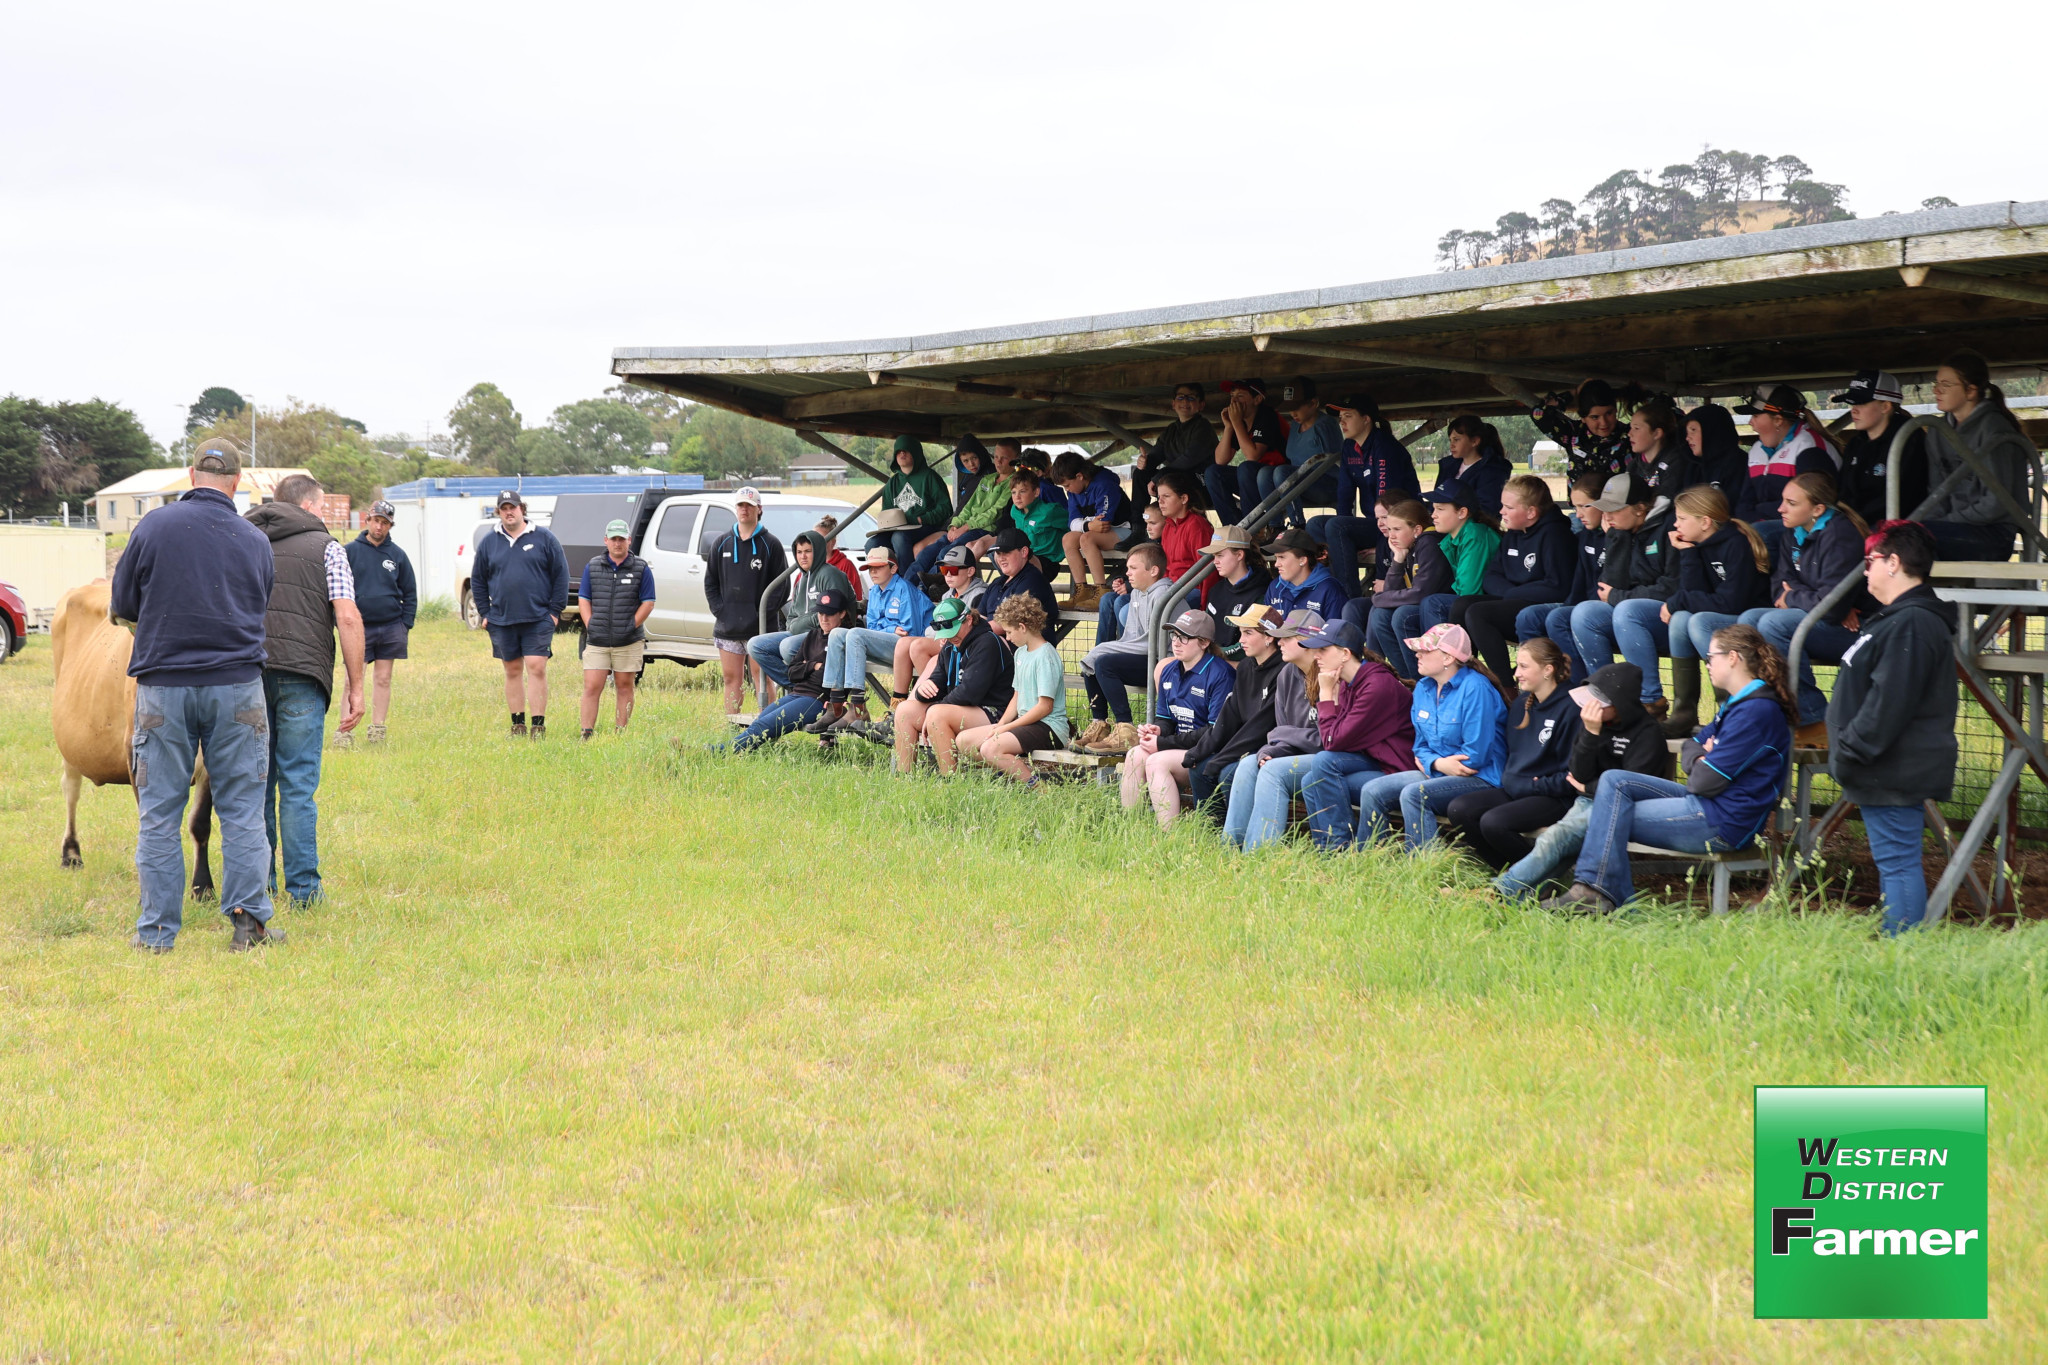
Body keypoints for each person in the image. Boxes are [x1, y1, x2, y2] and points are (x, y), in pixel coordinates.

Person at [110, 438, 281, 952]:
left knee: (159, 814)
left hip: (164, 687)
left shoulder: (153, 528)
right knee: (244, 810)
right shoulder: (254, 541)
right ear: (236, 482)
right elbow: (260, 606)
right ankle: (248, 928)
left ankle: (157, 934)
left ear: (191, 475)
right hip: (238, 689)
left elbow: (122, 607)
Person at [1543, 623, 1793, 914]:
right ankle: (1602, 894)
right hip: (1704, 803)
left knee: (1606, 815)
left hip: (1722, 821)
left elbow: (1702, 782)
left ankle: (1593, 893)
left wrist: (1701, 759)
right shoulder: (1736, 704)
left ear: (1733, 658)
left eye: (1710, 657)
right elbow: (1691, 745)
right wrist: (1702, 755)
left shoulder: (1756, 711)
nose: (1707, 664)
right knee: (1614, 781)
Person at [1825, 521, 1958, 934]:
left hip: (1892, 765)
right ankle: (1899, 948)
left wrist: (1850, 750)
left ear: (1894, 563)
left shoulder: (1913, 622)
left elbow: (1889, 703)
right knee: (1893, 861)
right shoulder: (1900, 619)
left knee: (1898, 862)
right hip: (1883, 764)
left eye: (1871, 561)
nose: (1865, 571)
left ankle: (1904, 954)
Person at [246, 473, 367, 906]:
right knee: (297, 785)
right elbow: (348, 617)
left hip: (248, 676)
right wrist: (357, 686)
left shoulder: (245, 538)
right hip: (303, 676)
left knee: (256, 783)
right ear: (312, 507)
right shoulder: (328, 548)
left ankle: (258, 885)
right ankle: (304, 892)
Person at [1492, 661, 1671, 901]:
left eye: (1599, 702)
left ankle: (1499, 891)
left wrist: (1589, 787)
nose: (1589, 707)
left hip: (1620, 808)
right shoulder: (1594, 725)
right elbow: (1579, 772)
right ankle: (1524, 897)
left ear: (1620, 704)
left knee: (1555, 837)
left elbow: (1632, 787)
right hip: (1587, 801)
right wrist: (1590, 733)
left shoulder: (1647, 734)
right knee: (1558, 841)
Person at [1626, 485, 1772, 735]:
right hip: (1723, 613)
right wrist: (1687, 554)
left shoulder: (1736, 544)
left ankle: (1731, 707)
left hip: (1748, 618)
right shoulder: (1697, 545)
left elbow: (1730, 603)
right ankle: (1685, 711)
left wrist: (1678, 600)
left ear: (1705, 522)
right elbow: (1696, 592)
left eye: (1682, 518)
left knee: (1698, 621)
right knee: (1682, 619)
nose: (1675, 525)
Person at [1741, 473, 1871, 744]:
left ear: (1818, 510)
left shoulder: (1840, 535)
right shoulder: (1793, 531)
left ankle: (1813, 716)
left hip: (1858, 630)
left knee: (1773, 624)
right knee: (1749, 620)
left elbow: (1832, 609)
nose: (1780, 509)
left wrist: (1796, 597)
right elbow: (1780, 587)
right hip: (1823, 618)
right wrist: (1812, 598)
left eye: (1790, 503)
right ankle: (1761, 711)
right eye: (1782, 501)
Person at [1357, 623, 1509, 851]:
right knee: (1371, 790)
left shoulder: (1476, 688)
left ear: (1448, 658)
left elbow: (1476, 757)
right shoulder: (1423, 688)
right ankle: (1366, 859)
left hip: (1481, 777)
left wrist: (1432, 765)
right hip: (1438, 771)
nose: (1417, 654)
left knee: (1414, 794)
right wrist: (1438, 763)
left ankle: (1422, 866)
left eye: (1426, 650)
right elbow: (1419, 746)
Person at [1440, 639, 1579, 869]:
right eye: (1517, 666)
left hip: (1553, 796)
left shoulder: (1571, 707)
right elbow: (1514, 757)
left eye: (1524, 667)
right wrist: (1516, 782)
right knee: (1460, 809)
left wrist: (1532, 786)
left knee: (1494, 822)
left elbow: (1572, 774)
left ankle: (1543, 876)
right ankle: (1509, 871)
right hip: (1519, 788)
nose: (1516, 674)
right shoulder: (1523, 702)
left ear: (1548, 670)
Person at [1298, 623, 1417, 850]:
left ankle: (1340, 846)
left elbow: (1332, 742)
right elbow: (1333, 738)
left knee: (1323, 762)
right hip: (1377, 761)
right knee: (1310, 781)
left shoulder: (1377, 686)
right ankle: (1326, 850)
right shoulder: (1347, 682)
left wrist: (1325, 695)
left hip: (1399, 769)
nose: (1315, 656)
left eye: (1323, 650)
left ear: (1345, 653)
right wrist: (1332, 696)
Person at [1568, 473, 1678, 715]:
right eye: (1604, 509)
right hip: (1636, 616)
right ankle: (1606, 693)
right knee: (1585, 612)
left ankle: (1650, 700)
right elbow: (1607, 587)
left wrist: (1619, 597)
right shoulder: (1624, 530)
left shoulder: (1669, 526)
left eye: (1614, 510)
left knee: (1627, 611)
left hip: (1672, 618)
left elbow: (1671, 589)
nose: (1606, 516)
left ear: (1640, 509)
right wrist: (1616, 538)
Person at [1120, 610, 1238, 826]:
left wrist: (1163, 743)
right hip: (1181, 747)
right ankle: (1131, 827)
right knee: (1134, 755)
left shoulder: (1221, 674)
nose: (1176, 642)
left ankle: (1170, 834)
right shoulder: (1169, 670)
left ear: (1203, 643)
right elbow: (1166, 718)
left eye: (1184, 637)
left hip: (1209, 752)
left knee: (1157, 760)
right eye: (1174, 635)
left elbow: (1214, 733)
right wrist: (1158, 730)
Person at [1221, 608, 1326, 850]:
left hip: (1328, 757)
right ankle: (1229, 847)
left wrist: (1282, 738)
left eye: (1287, 637)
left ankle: (1257, 853)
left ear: (1307, 642)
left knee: (1273, 770)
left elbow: (1327, 739)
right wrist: (1273, 749)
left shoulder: (1329, 674)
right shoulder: (1288, 673)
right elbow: (1280, 732)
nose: (1280, 642)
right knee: (1248, 764)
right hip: (1298, 753)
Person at [1919, 348, 2035, 563]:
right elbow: (1935, 492)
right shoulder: (1937, 431)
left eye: (1946, 384)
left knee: (1909, 540)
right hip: (1952, 527)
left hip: (1993, 533)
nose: (1937, 391)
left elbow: (1995, 503)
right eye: (1936, 384)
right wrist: (1939, 522)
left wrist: (1947, 522)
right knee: (1898, 536)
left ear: (1970, 391)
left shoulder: (1994, 429)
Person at [472, 488, 569, 737]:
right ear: (499, 512)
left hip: (538, 617)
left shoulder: (544, 538)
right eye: (503, 509)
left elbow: (561, 575)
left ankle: (538, 725)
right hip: (502, 618)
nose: (508, 512)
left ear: (521, 509)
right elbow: (478, 580)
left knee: (536, 666)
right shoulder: (489, 542)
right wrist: (485, 612)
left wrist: (554, 612)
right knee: (512, 669)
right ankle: (518, 725)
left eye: (512, 507)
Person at [808, 544, 934, 733]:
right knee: (837, 633)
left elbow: (911, 633)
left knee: (856, 634)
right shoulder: (874, 591)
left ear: (893, 568)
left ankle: (859, 707)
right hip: (887, 643)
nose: (873, 572)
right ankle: (836, 705)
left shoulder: (904, 590)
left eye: (879, 567)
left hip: (909, 651)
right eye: (870, 568)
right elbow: (873, 627)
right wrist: (891, 627)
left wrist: (886, 627)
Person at [1461, 475, 1575, 681]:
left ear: (1531, 512)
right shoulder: (1513, 532)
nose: (1501, 512)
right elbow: (1491, 576)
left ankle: (1505, 685)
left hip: (1541, 605)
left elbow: (1558, 586)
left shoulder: (1555, 535)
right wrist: (1511, 593)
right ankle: (1463, 677)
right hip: (1514, 598)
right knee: (1462, 605)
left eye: (1509, 507)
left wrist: (1514, 592)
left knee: (1479, 613)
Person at [1308, 392, 1419, 596]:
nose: (1342, 422)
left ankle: (1347, 596)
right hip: (1374, 523)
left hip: (1396, 526)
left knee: (1336, 526)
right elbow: (1344, 494)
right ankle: (1326, 589)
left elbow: (1390, 508)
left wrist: (1386, 542)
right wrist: (1343, 525)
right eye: (1340, 417)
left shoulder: (1384, 447)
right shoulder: (1349, 446)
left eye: (1348, 416)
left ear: (1366, 419)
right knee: (1316, 524)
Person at [892, 597, 1014, 775]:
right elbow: (938, 682)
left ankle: (949, 779)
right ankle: (903, 776)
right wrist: (923, 691)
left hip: (993, 711)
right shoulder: (950, 644)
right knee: (904, 710)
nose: (950, 636)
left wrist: (934, 708)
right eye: (945, 631)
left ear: (969, 619)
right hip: (960, 709)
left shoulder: (987, 643)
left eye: (953, 629)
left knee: (937, 714)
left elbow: (970, 693)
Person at [721, 590, 849, 754]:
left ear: (842, 613)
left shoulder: (843, 639)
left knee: (764, 725)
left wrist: (806, 667)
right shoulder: (812, 635)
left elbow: (826, 679)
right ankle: (740, 752)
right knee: (759, 722)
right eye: (821, 613)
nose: (824, 619)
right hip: (798, 693)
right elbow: (792, 673)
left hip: (819, 700)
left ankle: (717, 752)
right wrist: (812, 666)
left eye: (830, 614)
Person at [958, 594, 1067, 784]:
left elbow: (1045, 707)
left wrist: (1007, 727)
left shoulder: (1045, 656)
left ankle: (1036, 788)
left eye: (1008, 632)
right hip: (1026, 723)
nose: (1007, 637)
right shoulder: (1022, 652)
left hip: (1049, 727)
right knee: (964, 741)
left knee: (990, 748)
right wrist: (1000, 725)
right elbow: (1017, 695)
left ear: (1022, 627)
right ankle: (1010, 773)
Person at [1075, 541, 1171, 748]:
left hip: (1164, 663)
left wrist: (1105, 649)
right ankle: (1099, 723)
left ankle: (1125, 728)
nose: (1128, 573)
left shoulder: (1164, 595)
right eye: (1128, 568)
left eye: (1133, 568)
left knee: (1103, 662)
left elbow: (1153, 645)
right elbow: (1130, 638)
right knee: (1093, 662)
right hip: (1145, 656)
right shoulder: (1136, 593)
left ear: (1153, 571)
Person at [703, 486, 789, 716]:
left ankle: (768, 727)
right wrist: (720, 610)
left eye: (749, 506)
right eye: (741, 505)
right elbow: (710, 582)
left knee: (762, 678)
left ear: (759, 509)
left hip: (760, 629)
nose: (744, 510)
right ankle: (732, 727)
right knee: (731, 680)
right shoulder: (721, 543)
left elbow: (782, 585)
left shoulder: (771, 544)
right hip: (728, 627)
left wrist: (763, 613)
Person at [748, 529, 856, 702]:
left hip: (827, 634)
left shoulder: (830, 575)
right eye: (799, 552)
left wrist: (799, 625)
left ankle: (810, 689)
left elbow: (833, 613)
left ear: (819, 551)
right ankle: (796, 686)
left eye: (808, 551)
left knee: (787, 646)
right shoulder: (801, 579)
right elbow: (791, 617)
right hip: (801, 633)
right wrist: (797, 625)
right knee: (756, 645)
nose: (803, 556)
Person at [1731, 384, 1840, 556]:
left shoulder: (1809, 448)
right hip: (1773, 523)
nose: (1751, 423)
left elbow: (1811, 506)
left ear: (1778, 421)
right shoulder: (1757, 450)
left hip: (1811, 528)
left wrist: (1759, 513)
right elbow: (1745, 501)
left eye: (1756, 415)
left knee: (1759, 534)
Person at [340, 498, 416, 746]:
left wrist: (405, 624)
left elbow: (410, 592)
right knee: (352, 679)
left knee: (383, 678)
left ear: (390, 526)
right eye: (376, 521)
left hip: (391, 626)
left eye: (385, 523)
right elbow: (337, 590)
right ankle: (345, 731)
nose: (379, 527)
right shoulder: (350, 551)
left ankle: (377, 729)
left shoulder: (397, 555)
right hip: (357, 627)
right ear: (367, 520)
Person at [1526, 475, 1612, 684]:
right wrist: (1568, 606)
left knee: (1558, 618)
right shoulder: (1585, 536)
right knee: (1531, 615)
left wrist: (1613, 537)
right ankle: (1541, 681)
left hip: (1606, 607)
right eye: (1575, 507)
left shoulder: (1617, 537)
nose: (1579, 514)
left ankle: (1583, 683)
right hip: (1583, 604)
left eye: (1585, 506)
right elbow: (1579, 581)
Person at [576, 518, 656, 738]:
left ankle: (621, 732)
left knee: (624, 685)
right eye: (614, 539)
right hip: (597, 639)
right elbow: (584, 599)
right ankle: (586, 733)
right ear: (606, 540)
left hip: (628, 640)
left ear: (629, 540)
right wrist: (590, 624)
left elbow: (648, 602)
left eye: (622, 539)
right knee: (592, 686)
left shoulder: (641, 568)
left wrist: (631, 625)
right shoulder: (592, 566)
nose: (618, 543)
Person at [1354, 498, 1449, 679]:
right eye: (1389, 529)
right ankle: (1405, 679)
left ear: (1417, 530)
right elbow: (1390, 591)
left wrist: (1379, 598)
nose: (1391, 535)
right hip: (1420, 605)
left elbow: (1421, 593)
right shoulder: (1405, 547)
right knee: (1380, 615)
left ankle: (1419, 678)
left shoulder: (1429, 544)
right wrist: (1398, 560)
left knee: (1401, 615)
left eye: (1397, 529)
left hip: (1439, 607)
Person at [886, 542, 986, 712]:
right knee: (903, 644)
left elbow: (975, 628)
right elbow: (931, 628)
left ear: (970, 571)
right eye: (943, 570)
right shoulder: (948, 594)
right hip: (946, 642)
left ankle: (933, 697)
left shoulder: (980, 594)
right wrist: (942, 632)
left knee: (918, 646)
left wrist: (944, 633)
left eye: (953, 570)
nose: (947, 575)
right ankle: (898, 703)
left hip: (965, 646)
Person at [1830, 371, 1928, 525]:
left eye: (1861, 403)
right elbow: (1842, 492)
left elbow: (1905, 499)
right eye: (1852, 403)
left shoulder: (1909, 441)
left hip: (1895, 531)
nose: (1853, 410)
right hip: (1853, 527)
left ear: (1885, 406)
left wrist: (1853, 522)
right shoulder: (1855, 444)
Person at [908, 437, 1012, 580]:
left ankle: (931, 584)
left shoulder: (1013, 483)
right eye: (996, 457)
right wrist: (954, 525)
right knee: (927, 552)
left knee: (946, 552)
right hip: (965, 526)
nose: (998, 462)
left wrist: (965, 527)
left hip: (984, 529)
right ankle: (905, 587)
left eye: (1004, 458)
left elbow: (994, 513)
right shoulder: (987, 479)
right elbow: (968, 507)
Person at [1052, 451, 1133, 609]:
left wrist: (1085, 525)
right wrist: (1088, 525)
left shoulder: (1104, 484)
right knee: (1068, 538)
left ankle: (1100, 589)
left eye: (1067, 484)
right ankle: (1082, 590)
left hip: (1124, 530)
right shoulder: (1074, 491)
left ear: (1080, 476)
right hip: (1097, 532)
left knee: (1087, 538)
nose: (1067, 490)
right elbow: (1072, 522)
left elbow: (1103, 522)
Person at [1415, 487, 1502, 630]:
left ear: (1462, 512)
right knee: (1404, 615)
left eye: (1440, 509)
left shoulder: (1475, 535)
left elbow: (1469, 591)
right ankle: (1427, 652)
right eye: (1434, 509)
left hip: (1490, 604)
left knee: (1433, 603)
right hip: (1471, 603)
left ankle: (1445, 652)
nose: (1433, 515)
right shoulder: (1451, 539)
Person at [1206, 378, 1286, 525]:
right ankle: (1234, 526)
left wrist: (1236, 423)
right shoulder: (1240, 423)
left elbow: (1253, 455)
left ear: (1257, 399)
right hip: (1252, 479)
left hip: (1275, 479)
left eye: (1240, 396)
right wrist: (1229, 427)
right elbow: (1220, 460)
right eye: (1232, 396)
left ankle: (1253, 526)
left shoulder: (1267, 415)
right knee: (1213, 472)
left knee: (1246, 467)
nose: (1234, 401)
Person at [1131, 382, 1217, 515]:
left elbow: (1188, 460)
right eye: (1181, 397)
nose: (1185, 401)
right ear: (1173, 404)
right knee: (1140, 473)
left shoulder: (1203, 427)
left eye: (1191, 398)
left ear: (1201, 405)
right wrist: (1144, 462)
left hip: (1202, 485)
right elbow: (1155, 456)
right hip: (1174, 480)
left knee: (1173, 477)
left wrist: (1159, 477)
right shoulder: (1171, 429)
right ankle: (1138, 525)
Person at [870, 437, 953, 567]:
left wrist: (923, 519)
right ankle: (887, 581)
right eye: (898, 451)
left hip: (925, 527)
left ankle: (907, 580)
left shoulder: (930, 477)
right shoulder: (893, 482)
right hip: (899, 528)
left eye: (906, 450)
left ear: (916, 453)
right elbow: (886, 511)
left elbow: (946, 508)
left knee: (899, 538)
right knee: (872, 544)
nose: (902, 454)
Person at [1532, 379, 1628, 484]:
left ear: (1615, 410)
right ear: (1583, 417)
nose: (1603, 422)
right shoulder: (1574, 434)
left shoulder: (1631, 435)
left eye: (1609, 413)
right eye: (1595, 417)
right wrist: (1574, 393)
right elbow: (1539, 414)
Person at [1277, 377, 1343, 526]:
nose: (1293, 412)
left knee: (1282, 472)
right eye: (1290, 407)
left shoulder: (1325, 425)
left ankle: (1298, 525)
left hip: (1327, 485)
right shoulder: (1295, 426)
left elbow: (1336, 462)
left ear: (1313, 403)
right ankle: (1274, 526)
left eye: (1297, 407)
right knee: (1265, 474)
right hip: (1301, 484)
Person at [1199, 525, 1271, 659]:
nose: (1215, 561)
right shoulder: (1215, 590)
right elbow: (1205, 629)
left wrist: (1214, 655)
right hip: (1214, 660)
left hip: (1243, 665)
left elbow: (1253, 642)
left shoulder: (1262, 592)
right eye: (1214, 556)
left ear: (1239, 555)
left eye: (1220, 555)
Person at [978, 527, 1062, 636]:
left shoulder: (1032, 580)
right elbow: (980, 617)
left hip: (1024, 649)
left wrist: (976, 632)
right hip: (992, 643)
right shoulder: (997, 582)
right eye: (998, 553)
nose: (1001, 558)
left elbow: (1008, 624)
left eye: (1006, 552)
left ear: (1024, 552)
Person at [1429, 415, 1512, 517]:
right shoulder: (1447, 467)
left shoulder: (1492, 471)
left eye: (1456, 439)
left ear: (1474, 441)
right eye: (1450, 440)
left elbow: (1488, 511)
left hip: (1474, 529)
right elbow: (1436, 500)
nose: (1451, 445)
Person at [1261, 528, 1349, 620]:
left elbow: (1337, 632)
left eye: (1282, 557)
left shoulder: (1329, 589)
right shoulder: (1275, 586)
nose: (1276, 564)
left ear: (1302, 560)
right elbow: (1264, 629)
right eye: (1276, 558)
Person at [1001, 469, 1068, 576]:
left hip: (1047, 562)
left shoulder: (1049, 512)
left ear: (1036, 492)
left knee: (1018, 565)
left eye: (1022, 491)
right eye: (1013, 492)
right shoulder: (1014, 510)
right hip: (1024, 558)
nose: (1017, 497)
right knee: (997, 552)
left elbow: (1071, 525)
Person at [1153, 470, 1211, 584]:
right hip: (1170, 587)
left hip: (1191, 590)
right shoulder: (1168, 527)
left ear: (1184, 499)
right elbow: (1166, 568)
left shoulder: (1196, 526)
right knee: (1115, 599)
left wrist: (1205, 602)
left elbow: (1207, 570)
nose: (1160, 501)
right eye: (1159, 497)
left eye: (1166, 496)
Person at [1624, 397, 1691, 495]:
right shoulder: (1634, 466)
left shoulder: (1676, 463)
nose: (1629, 433)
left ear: (1657, 433)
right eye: (1631, 428)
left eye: (1636, 428)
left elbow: (1666, 501)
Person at [1684, 403, 1747, 496]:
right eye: (1687, 432)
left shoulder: (1738, 464)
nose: (1687, 438)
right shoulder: (1694, 466)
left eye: (1693, 430)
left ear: (1712, 431)